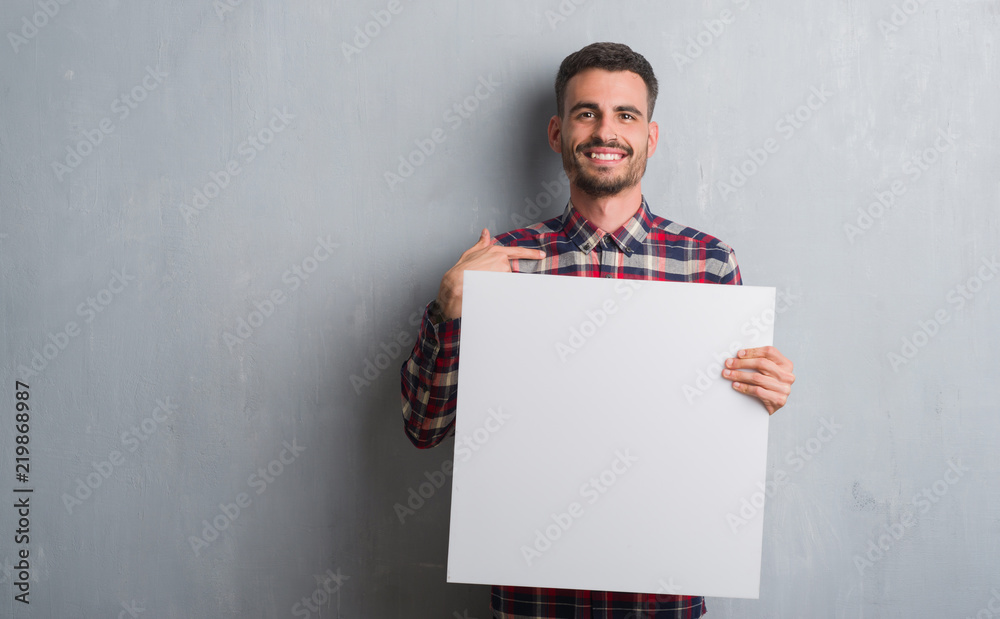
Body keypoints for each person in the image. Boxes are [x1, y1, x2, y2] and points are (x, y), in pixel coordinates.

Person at [400, 41, 795, 619]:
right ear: (558, 133)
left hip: (664, 597)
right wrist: (448, 308)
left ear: (650, 138)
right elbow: (424, 428)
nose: (605, 131)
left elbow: (713, 444)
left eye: (625, 115)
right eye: (588, 113)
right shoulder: (500, 262)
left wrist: (762, 396)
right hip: (533, 599)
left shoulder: (708, 263)